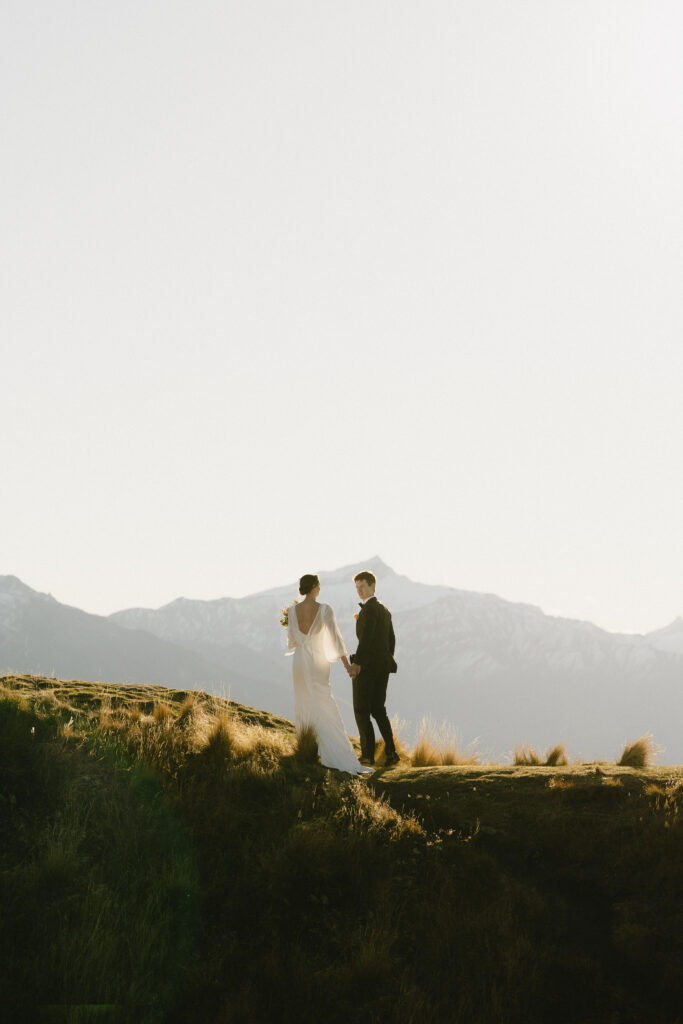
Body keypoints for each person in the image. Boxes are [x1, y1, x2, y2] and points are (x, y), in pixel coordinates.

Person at [286, 573, 373, 776]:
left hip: (299, 662)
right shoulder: (324, 609)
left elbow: (291, 641)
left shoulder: (291, 611)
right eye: (319, 586)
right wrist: (348, 667)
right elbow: (336, 640)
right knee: (325, 704)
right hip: (317, 662)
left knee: (303, 703)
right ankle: (337, 754)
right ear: (315, 587)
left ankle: (309, 749)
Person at [348, 570, 399, 766]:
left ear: (372, 586)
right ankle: (392, 752)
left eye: (362, 586)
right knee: (379, 710)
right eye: (357, 587)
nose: (359, 590)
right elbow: (390, 640)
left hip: (367, 666)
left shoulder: (369, 610)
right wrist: (385, 659)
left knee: (361, 709)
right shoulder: (384, 610)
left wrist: (357, 663)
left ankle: (368, 755)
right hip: (383, 666)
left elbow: (367, 638)